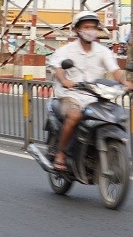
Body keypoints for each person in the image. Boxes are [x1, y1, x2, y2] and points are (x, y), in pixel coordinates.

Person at [48, 11, 130, 172]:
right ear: (77, 29)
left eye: (93, 27)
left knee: (116, 116)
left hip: (96, 97)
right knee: (75, 115)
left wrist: (126, 82)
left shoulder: (102, 51)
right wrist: (65, 81)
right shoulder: (67, 51)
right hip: (71, 95)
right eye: (86, 27)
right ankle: (61, 153)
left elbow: (115, 70)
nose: (90, 30)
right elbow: (57, 67)